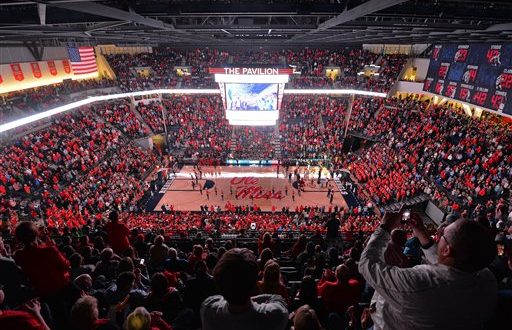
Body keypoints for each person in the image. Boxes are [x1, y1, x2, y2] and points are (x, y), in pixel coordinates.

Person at [358, 211, 497, 329]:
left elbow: (366, 264)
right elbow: (452, 263)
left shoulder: (419, 283)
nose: (439, 232)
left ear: (447, 249)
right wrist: (421, 233)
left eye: (443, 234)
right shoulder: (488, 281)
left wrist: (385, 227)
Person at [200, 248, 288, 330]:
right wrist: (245, 295)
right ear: (256, 285)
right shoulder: (275, 315)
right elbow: (277, 299)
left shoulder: (208, 308)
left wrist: (237, 294)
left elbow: (224, 294)